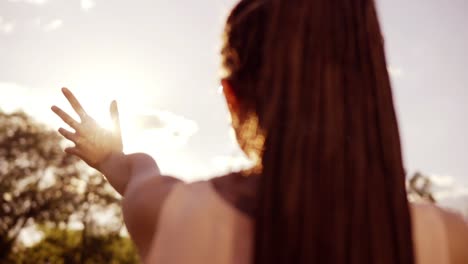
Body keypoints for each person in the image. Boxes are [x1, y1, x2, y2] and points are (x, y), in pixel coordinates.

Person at [51, 0, 468, 263]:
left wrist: (109, 158)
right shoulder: (450, 240)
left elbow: (137, 172)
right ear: (374, 87)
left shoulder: (163, 211)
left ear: (232, 95)